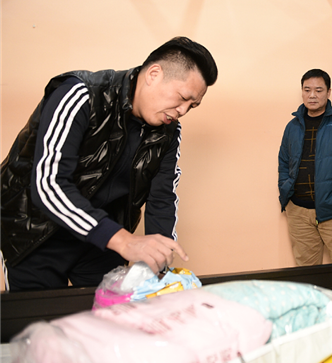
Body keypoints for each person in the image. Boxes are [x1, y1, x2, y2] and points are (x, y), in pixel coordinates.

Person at [1, 36, 218, 291]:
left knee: (114, 311)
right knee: (40, 315)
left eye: (192, 105)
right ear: (154, 74)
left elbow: (161, 198)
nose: (182, 110)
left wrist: (159, 262)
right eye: (182, 97)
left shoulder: (169, 131)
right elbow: (48, 185)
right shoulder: (80, 94)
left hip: (101, 238)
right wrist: (125, 241)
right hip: (36, 232)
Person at [278, 69, 332, 298]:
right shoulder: (293, 126)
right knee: (306, 275)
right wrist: (285, 189)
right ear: (302, 92)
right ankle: (316, 318)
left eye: (318, 90)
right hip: (299, 211)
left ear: (328, 92)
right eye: (307, 90)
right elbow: (284, 161)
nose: (312, 95)